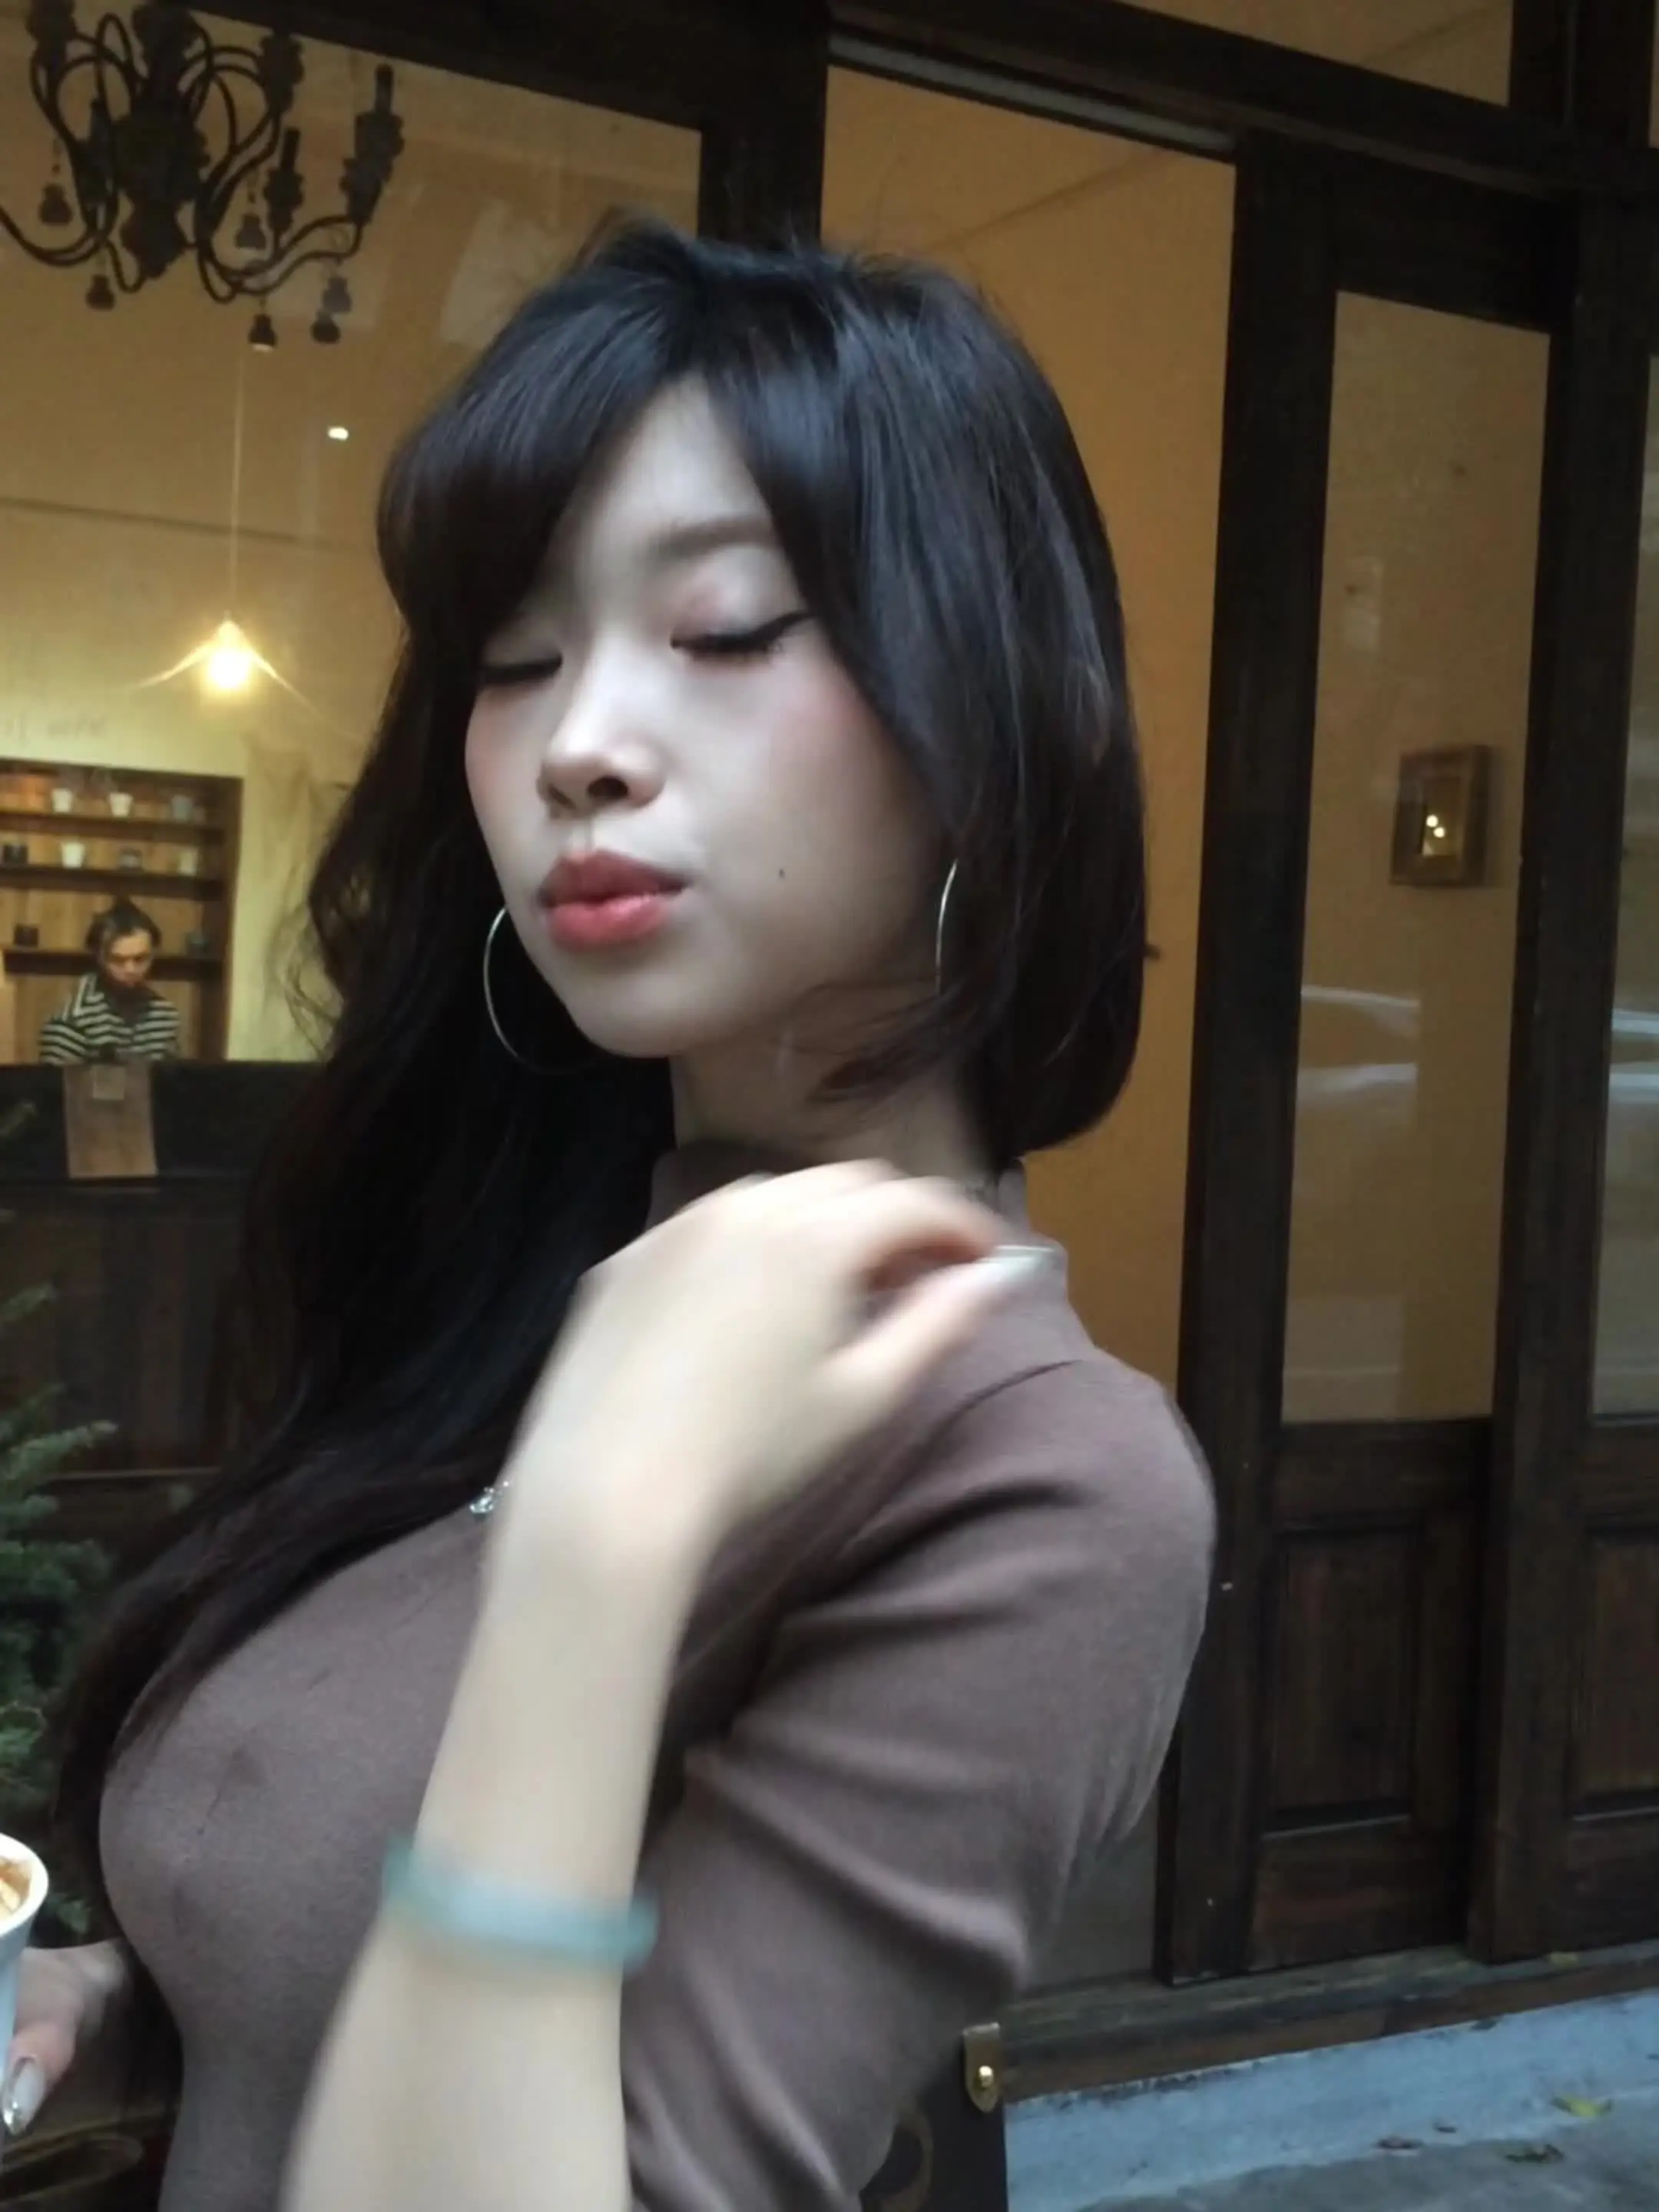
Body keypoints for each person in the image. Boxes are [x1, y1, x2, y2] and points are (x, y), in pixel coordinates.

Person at [3, 221, 1214, 2210]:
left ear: (996, 716)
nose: (578, 745)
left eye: (724, 627)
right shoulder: (510, 1272)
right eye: (518, 659)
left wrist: (601, 1552)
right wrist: (114, 2001)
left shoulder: (1048, 1482)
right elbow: (331, 1917)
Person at [37, 902, 182, 1065]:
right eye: (118, 960)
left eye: (140, 959)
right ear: (99, 958)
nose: (131, 969)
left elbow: (171, 1079)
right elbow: (56, 1081)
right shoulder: (72, 1021)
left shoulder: (165, 1014)